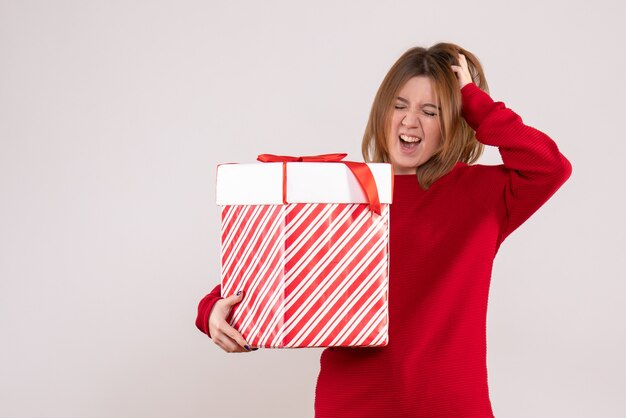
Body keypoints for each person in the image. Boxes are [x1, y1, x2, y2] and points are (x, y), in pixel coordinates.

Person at [196, 42, 572, 417]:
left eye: (431, 111)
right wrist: (212, 310)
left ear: (456, 120)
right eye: (399, 106)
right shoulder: (345, 190)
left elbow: (550, 166)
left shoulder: (485, 195)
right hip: (353, 403)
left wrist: (474, 101)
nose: (410, 121)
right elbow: (276, 272)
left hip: (452, 406)